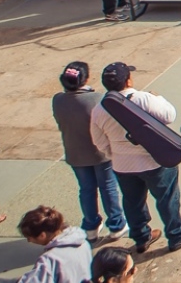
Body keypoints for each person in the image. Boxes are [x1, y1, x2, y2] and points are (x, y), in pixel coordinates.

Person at [87, 62, 181, 253]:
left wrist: (116, 155)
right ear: (128, 80)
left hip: (123, 166)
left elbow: (99, 142)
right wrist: (159, 98)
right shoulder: (143, 99)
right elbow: (169, 115)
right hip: (154, 160)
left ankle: (141, 238)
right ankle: (177, 235)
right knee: (167, 199)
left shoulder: (99, 110)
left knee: (132, 203)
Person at [52, 62, 124, 239]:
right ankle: (116, 225)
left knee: (86, 189)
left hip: (75, 153)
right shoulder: (97, 99)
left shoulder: (58, 100)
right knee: (108, 188)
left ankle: (91, 226)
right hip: (99, 153)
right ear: (86, 78)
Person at [15, 206, 92, 283]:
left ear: (42, 235)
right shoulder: (83, 243)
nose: (28, 241)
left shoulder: (49, 259)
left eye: (29, 237)